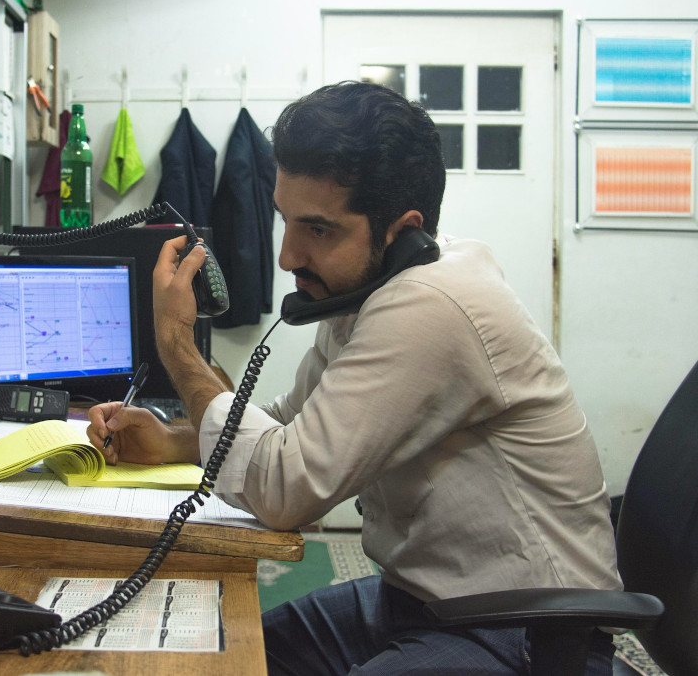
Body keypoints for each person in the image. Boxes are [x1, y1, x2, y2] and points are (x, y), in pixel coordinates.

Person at [86, 81, 622, 674]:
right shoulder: (367, 291)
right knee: (225, 656)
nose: (287, 256)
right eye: (284, 221)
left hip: (522, 626)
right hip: (419, 600)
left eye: (318, 230)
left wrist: (176, 346)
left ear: (401, 230)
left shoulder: (431, 303)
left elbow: (285, 490)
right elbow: (291, 427)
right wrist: (173, 439)